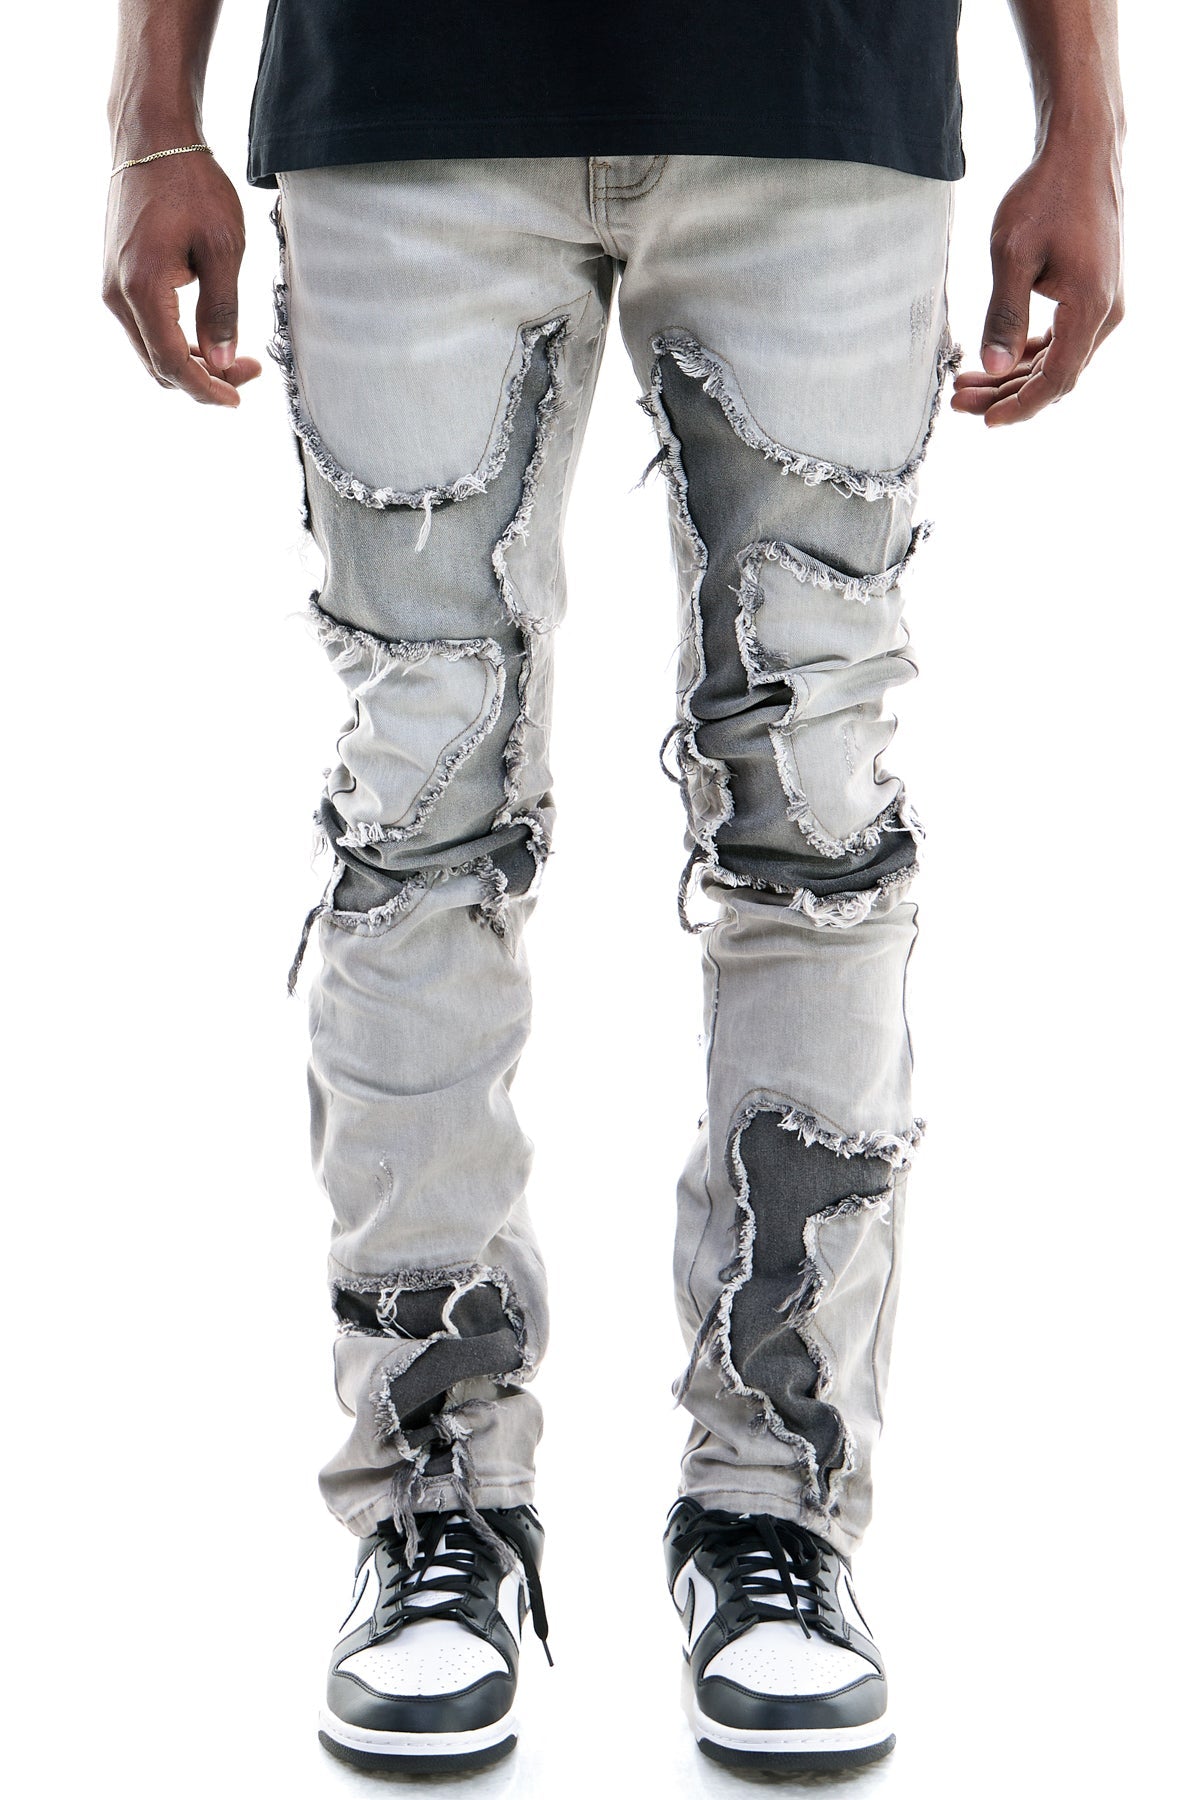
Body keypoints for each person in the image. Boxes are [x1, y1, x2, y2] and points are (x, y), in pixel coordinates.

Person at [102, 0, 1125, 1777]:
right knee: (423, 821)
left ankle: (775, 1508)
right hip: (412, 87)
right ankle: (439, 1503)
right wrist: (150, 115)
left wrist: (1087, 128)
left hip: (820, 95)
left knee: (814, 820)